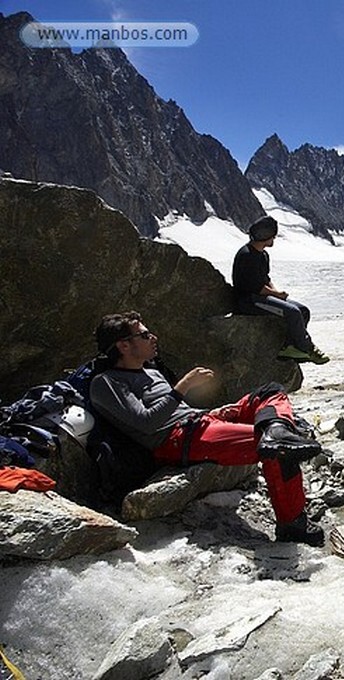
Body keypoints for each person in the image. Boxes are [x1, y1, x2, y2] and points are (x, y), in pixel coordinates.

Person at [88, 311, 326, 546]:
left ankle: (276, 429)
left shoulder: (150, 370)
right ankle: (292, 523)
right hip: (178, 438)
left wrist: (211, 412)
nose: (153, 338)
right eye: (144, 335)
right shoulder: (106, 383)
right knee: (278, 449)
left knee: (270, 391)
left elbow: (176, 407)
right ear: (124, 346)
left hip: (200, 423)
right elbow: (146, 422)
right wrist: (183, 386)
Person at [232, 216, 330, 365]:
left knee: (303, 311)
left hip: (260, 297)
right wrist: (276, 295)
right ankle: (307, 348)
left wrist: (276, 293)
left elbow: (265, 279)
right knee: (293, 312)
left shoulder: (262, 254)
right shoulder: (246, 255)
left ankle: (289, 346)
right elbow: (255, 287)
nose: (274, 239)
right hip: (249, 301)